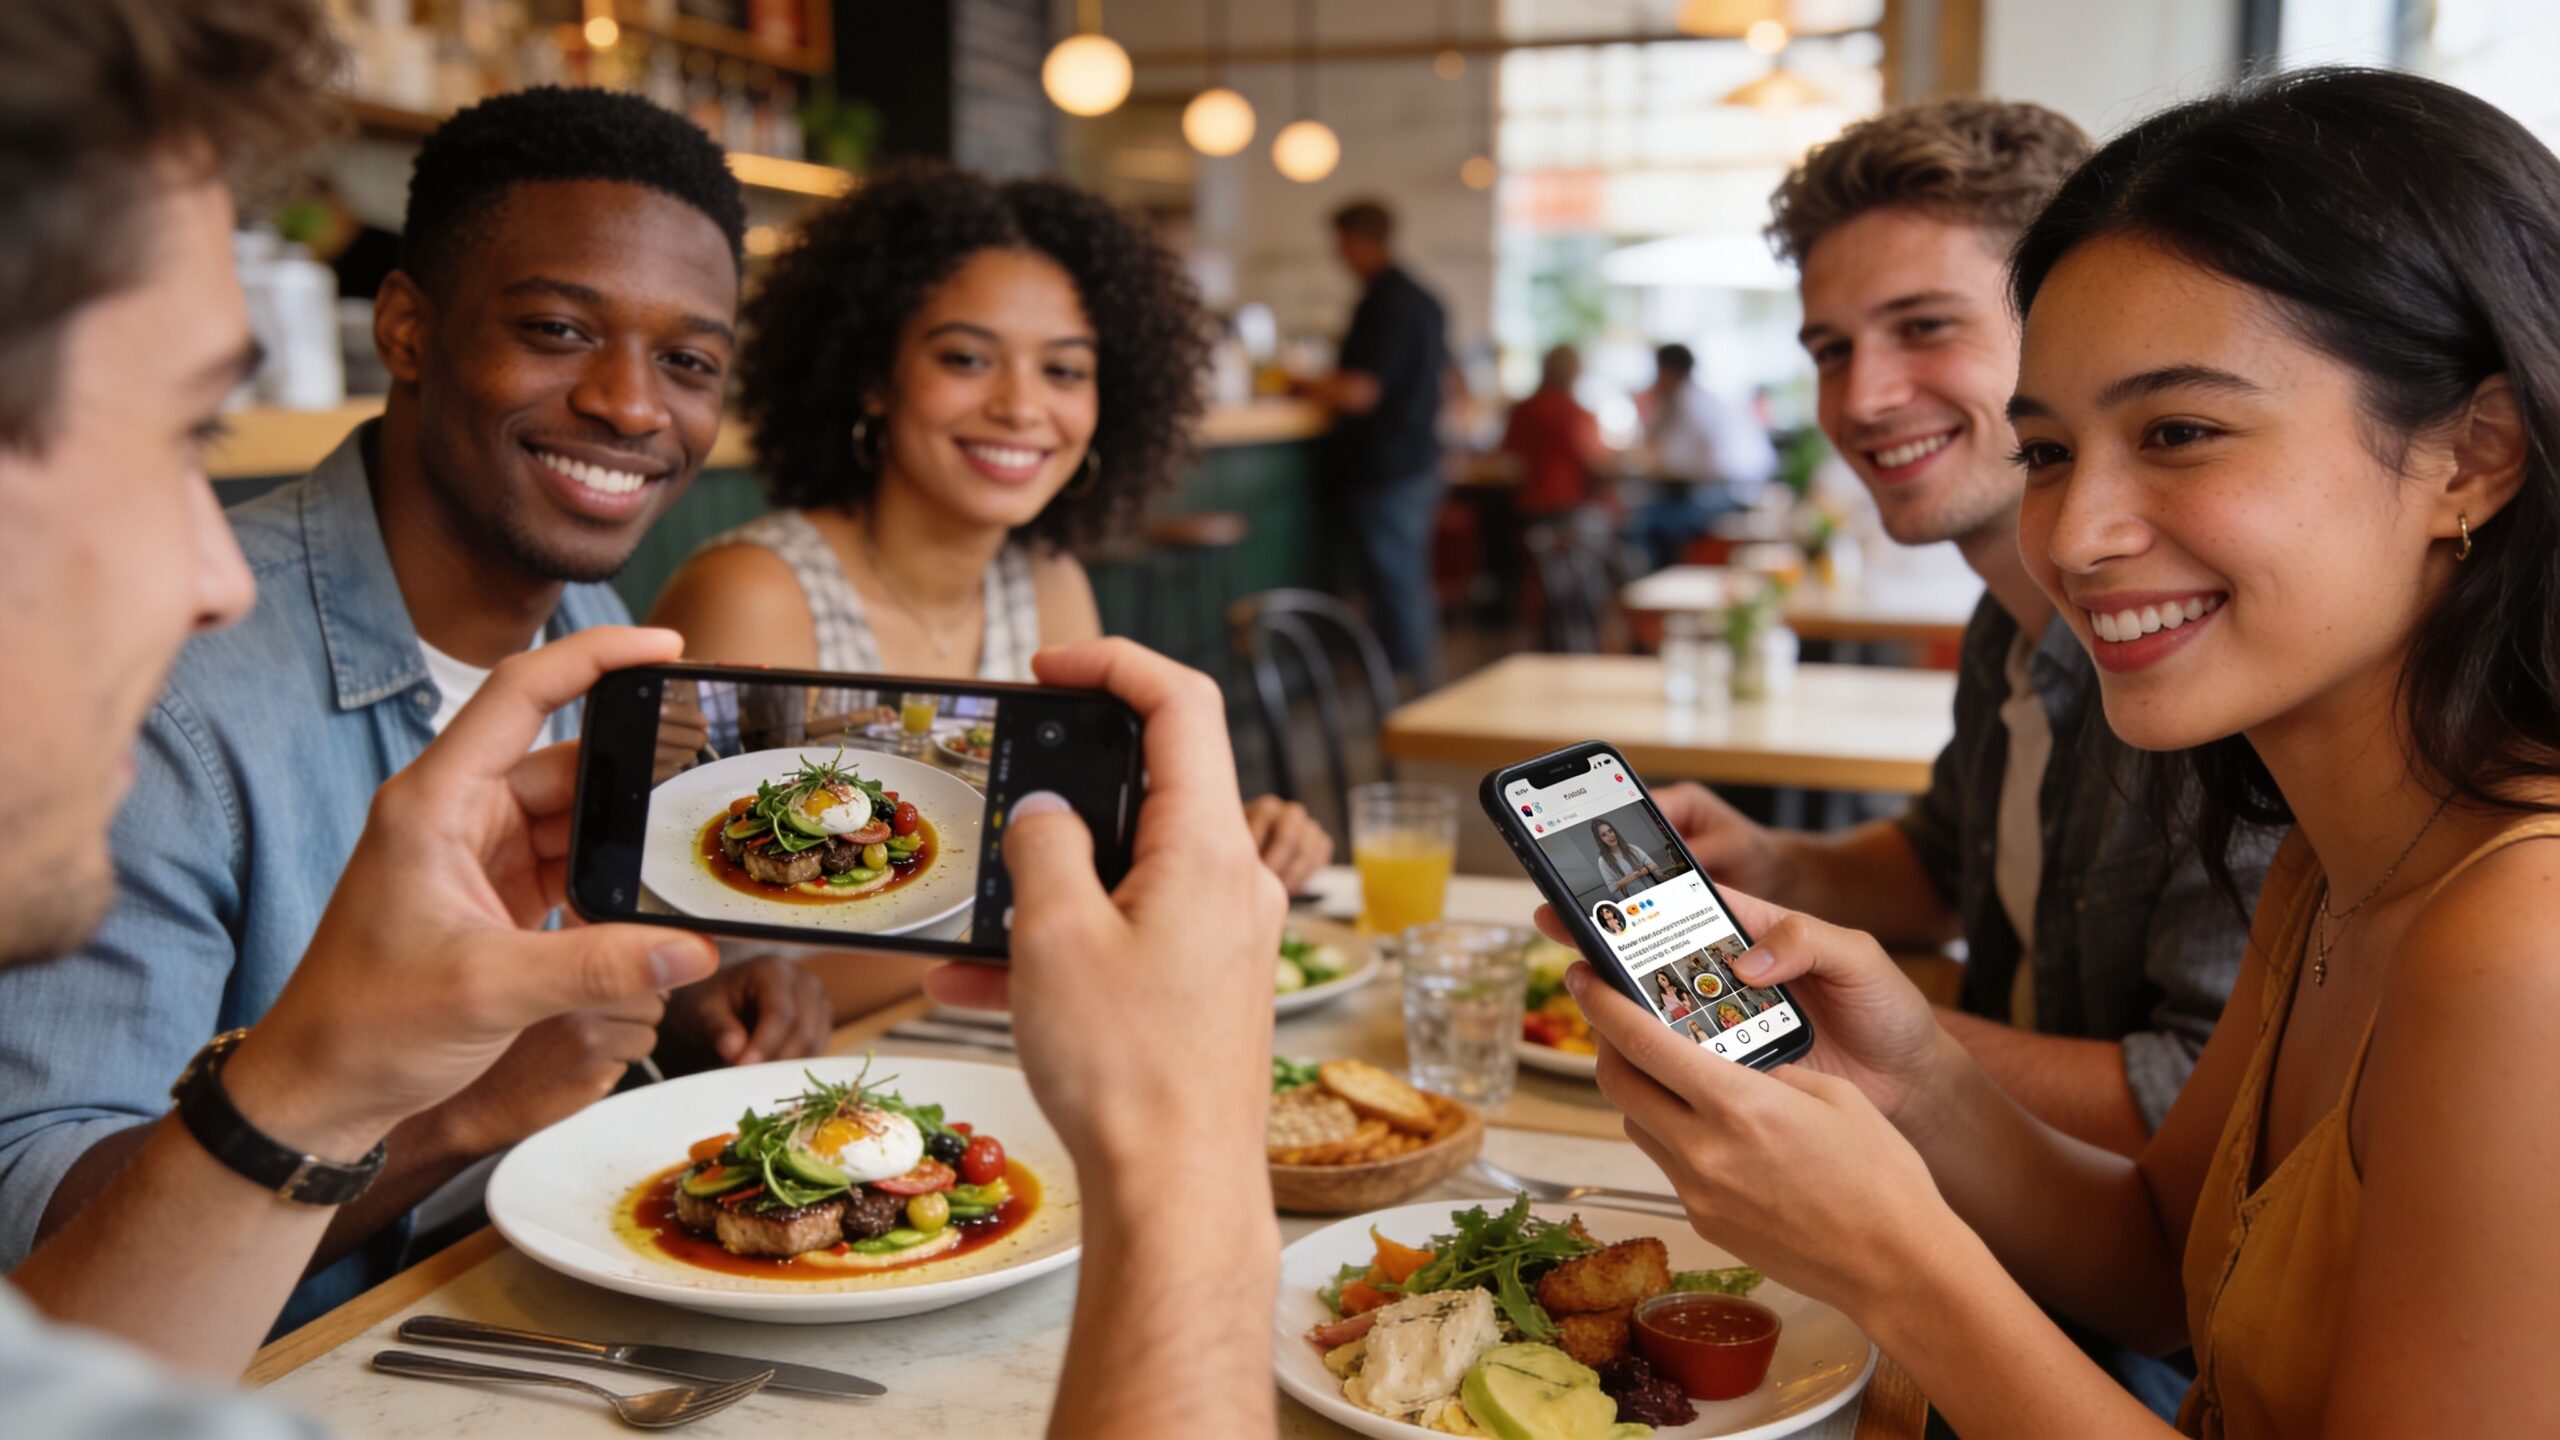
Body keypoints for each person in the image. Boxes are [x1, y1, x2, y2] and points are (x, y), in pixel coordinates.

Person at [1560, 68, 2560, 1440]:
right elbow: (2161, 1269)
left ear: (2477, 452)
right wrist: (1913, 1079)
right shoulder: (2332, 864)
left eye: (2180, 432)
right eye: (2047, 451)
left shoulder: (2524, 949)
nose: (2078, 534)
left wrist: (1897, 1268)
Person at [0, 86, 849, 1333]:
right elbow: (42, 1244)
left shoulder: (605, 636)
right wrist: (461, 1110)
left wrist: (686, 1007)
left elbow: (559, 1019)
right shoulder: (174, 685)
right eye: (559, 329)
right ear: (405, 327)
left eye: (688, 361)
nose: (630, 403)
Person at [1657, 97, 2272, 1164]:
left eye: (1924, 325)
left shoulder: (2211, 662)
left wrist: (1861, 1032)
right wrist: (1772, 861)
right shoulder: (2007, 623)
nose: (1862, 397)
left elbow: (2195, 1110)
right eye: (1831, 350)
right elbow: (1947, 863)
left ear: (2067, 322)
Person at [647, 163, 1331, 890]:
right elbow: (691, 916)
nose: (1021, 406)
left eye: (1063, 371)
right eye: (968, 359)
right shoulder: (752, 595)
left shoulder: (1048, 584)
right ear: (875, 377)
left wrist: (1223, 843)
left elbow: (1086, 844)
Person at [1303, 198, 1451, 688]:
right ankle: (1411, 686)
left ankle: (1409, 694)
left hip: (1387, 464)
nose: (1338, 255)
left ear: (1363, 241)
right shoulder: (1425, 299)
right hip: (1420, 459)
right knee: (1405, 582)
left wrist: (1301, 384)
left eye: (1342, 244)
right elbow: (1452, 382)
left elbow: (1360, 392)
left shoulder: (1384, 302)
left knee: (1394, 584)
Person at [1629, 342, 1779, 569]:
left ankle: (1664, 579)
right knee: (1653, 518)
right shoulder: (1693, 398)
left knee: (1648, 524)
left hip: (1727, 495)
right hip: (1734, 490)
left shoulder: (1688, 401)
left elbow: (1668, 459)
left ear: (1668, 371)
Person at [1500, 344, 1612, 518]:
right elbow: (1595, 461)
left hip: (1526, 500)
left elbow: (1507, 451)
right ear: (1575, 373)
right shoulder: (1578, 414)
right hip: (1569, 501)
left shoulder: (1523, 410)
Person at [1591, 817, 1664, 898]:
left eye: (1610, 831)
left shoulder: (1632, 848)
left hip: (1654, 891)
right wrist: (1630, 877)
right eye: (1604, 835)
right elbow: (1612, 887)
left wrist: (1644, 871)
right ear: (1600, 840)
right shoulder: (1603, 861)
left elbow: (1654, 866)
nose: (1610, 835)